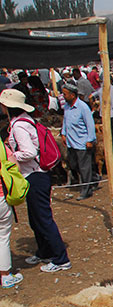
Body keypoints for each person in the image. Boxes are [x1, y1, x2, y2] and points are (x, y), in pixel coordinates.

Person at [1, 88, 71, 272]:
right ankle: (45, 251)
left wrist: (11, 155)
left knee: (43, 219)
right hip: (36, 174)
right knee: (36, 218)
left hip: (34, 175)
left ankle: (60, 258)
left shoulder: (19, 126)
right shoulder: (26, 120)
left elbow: (30, 152)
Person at [61, 83, 98, 201]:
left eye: (65, 94)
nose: (63, 96)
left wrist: (90, 140)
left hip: (82, 142)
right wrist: (63, 133)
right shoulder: (67, 107)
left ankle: (86, 190)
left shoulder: (83, 107)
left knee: (84, 167)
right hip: (71, 142)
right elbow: (65, 121)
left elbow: (90, 124)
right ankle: (94, 177)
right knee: (73, 164)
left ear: (72, 95)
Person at [0, 142, 22, 288]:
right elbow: (15, 166)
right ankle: (5, 276)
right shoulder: (0, 145)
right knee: (3, 236)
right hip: (1, 197)